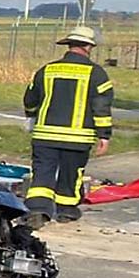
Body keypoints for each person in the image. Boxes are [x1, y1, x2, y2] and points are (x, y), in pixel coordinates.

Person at [23, 25, 114, 226]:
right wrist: (104, 135)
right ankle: (66, 211)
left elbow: (30, 98)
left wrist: (30, 117)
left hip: (45, 136)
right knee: (71, 174)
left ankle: (37, 210)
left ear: (69, 45)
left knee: (42, 173)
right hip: (77, 139)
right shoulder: (97, 74)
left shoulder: (47, 70)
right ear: (89, 47)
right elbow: (101, 107)